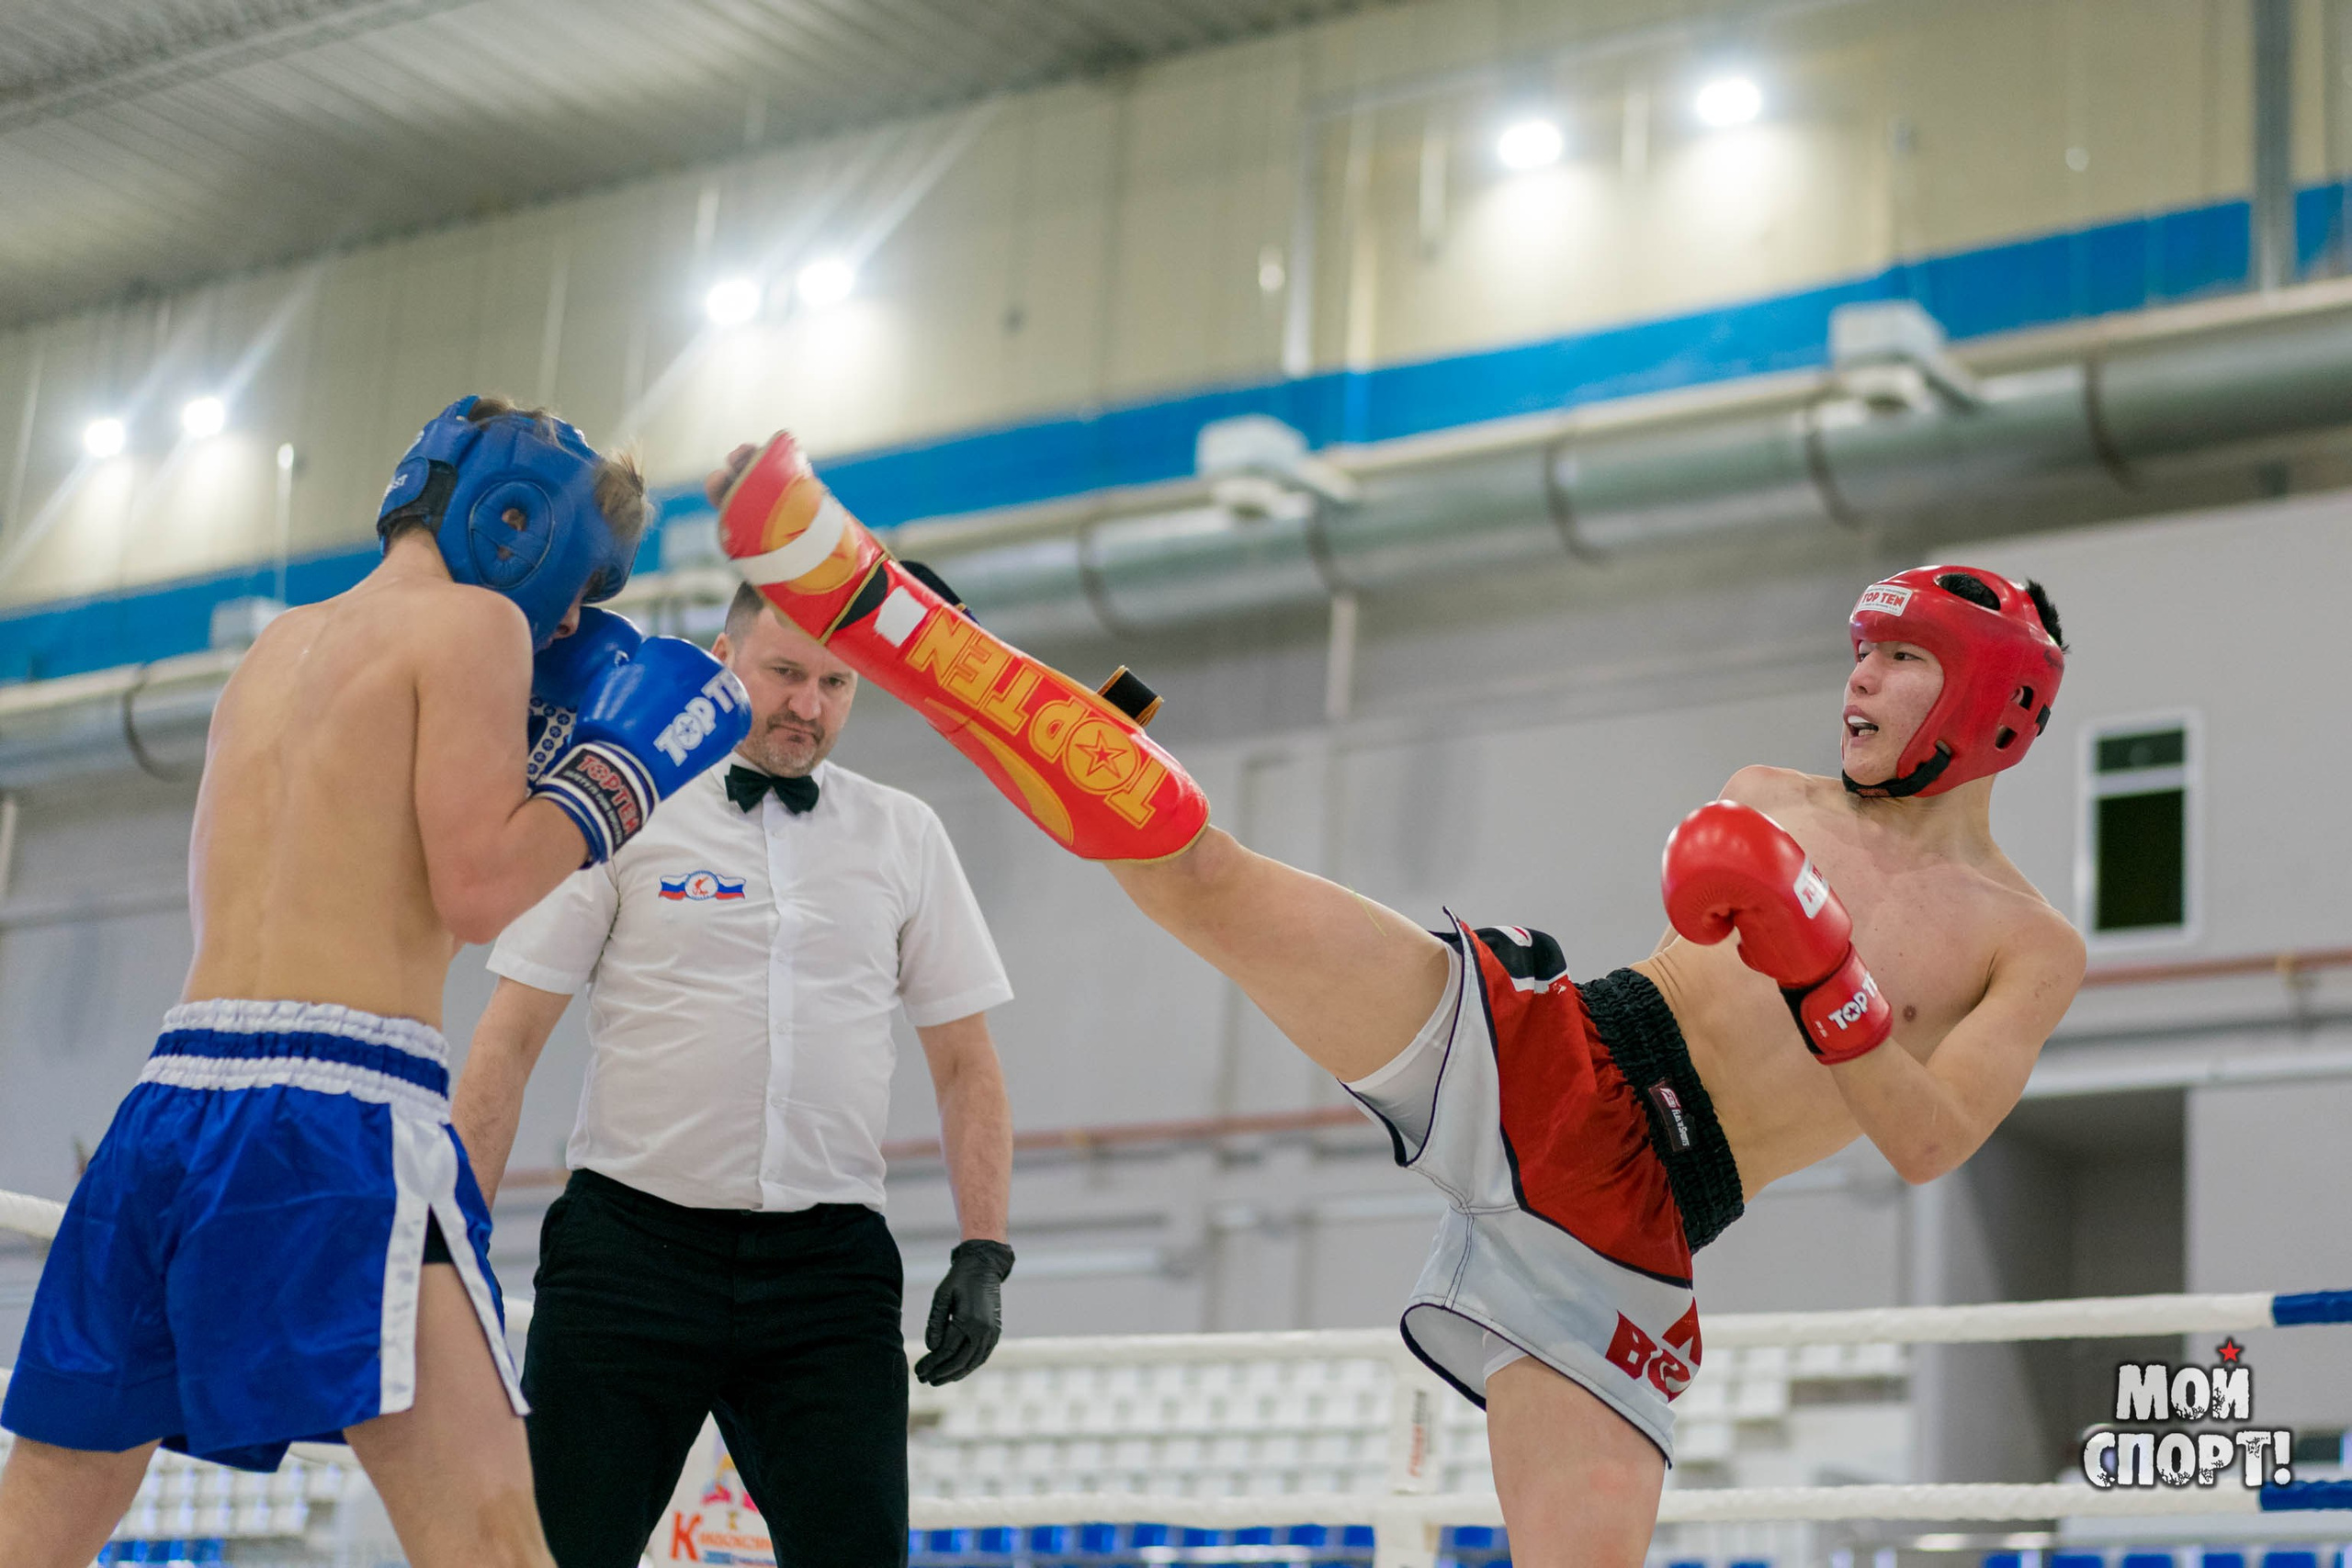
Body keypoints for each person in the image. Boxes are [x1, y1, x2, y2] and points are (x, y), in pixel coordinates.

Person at [709, 434, 2088, 1568]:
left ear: (1987, 699)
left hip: (1639, 1222)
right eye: (1862, 649)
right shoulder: (1769, 796)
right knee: (1207, 875)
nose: (1859, 677)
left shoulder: (2026, 943)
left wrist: (1822, 971)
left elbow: (1929, 1143)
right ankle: (894, 621)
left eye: (1901, 659)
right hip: (1558, 1049)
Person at [0, 396, 749, 1568]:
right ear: (519, 525)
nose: (568, 620)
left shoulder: (272, 649)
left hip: (167, 1107)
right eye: (577, 584)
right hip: (335, 1112)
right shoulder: (474, 629)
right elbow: (480, 889)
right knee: (493, 1538)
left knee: (38, 1525)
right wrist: (621, 775)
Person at [453, 576, 1018, 1568]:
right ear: (724, 659)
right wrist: (452, 1247)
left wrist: (984, 1251)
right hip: (629, 1256)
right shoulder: (621, 810)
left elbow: (967, 1064)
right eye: (786, 672)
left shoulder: (904, 834)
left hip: (827, 1273)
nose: (808, 705)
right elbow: (507, 1040)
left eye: (836, 684)